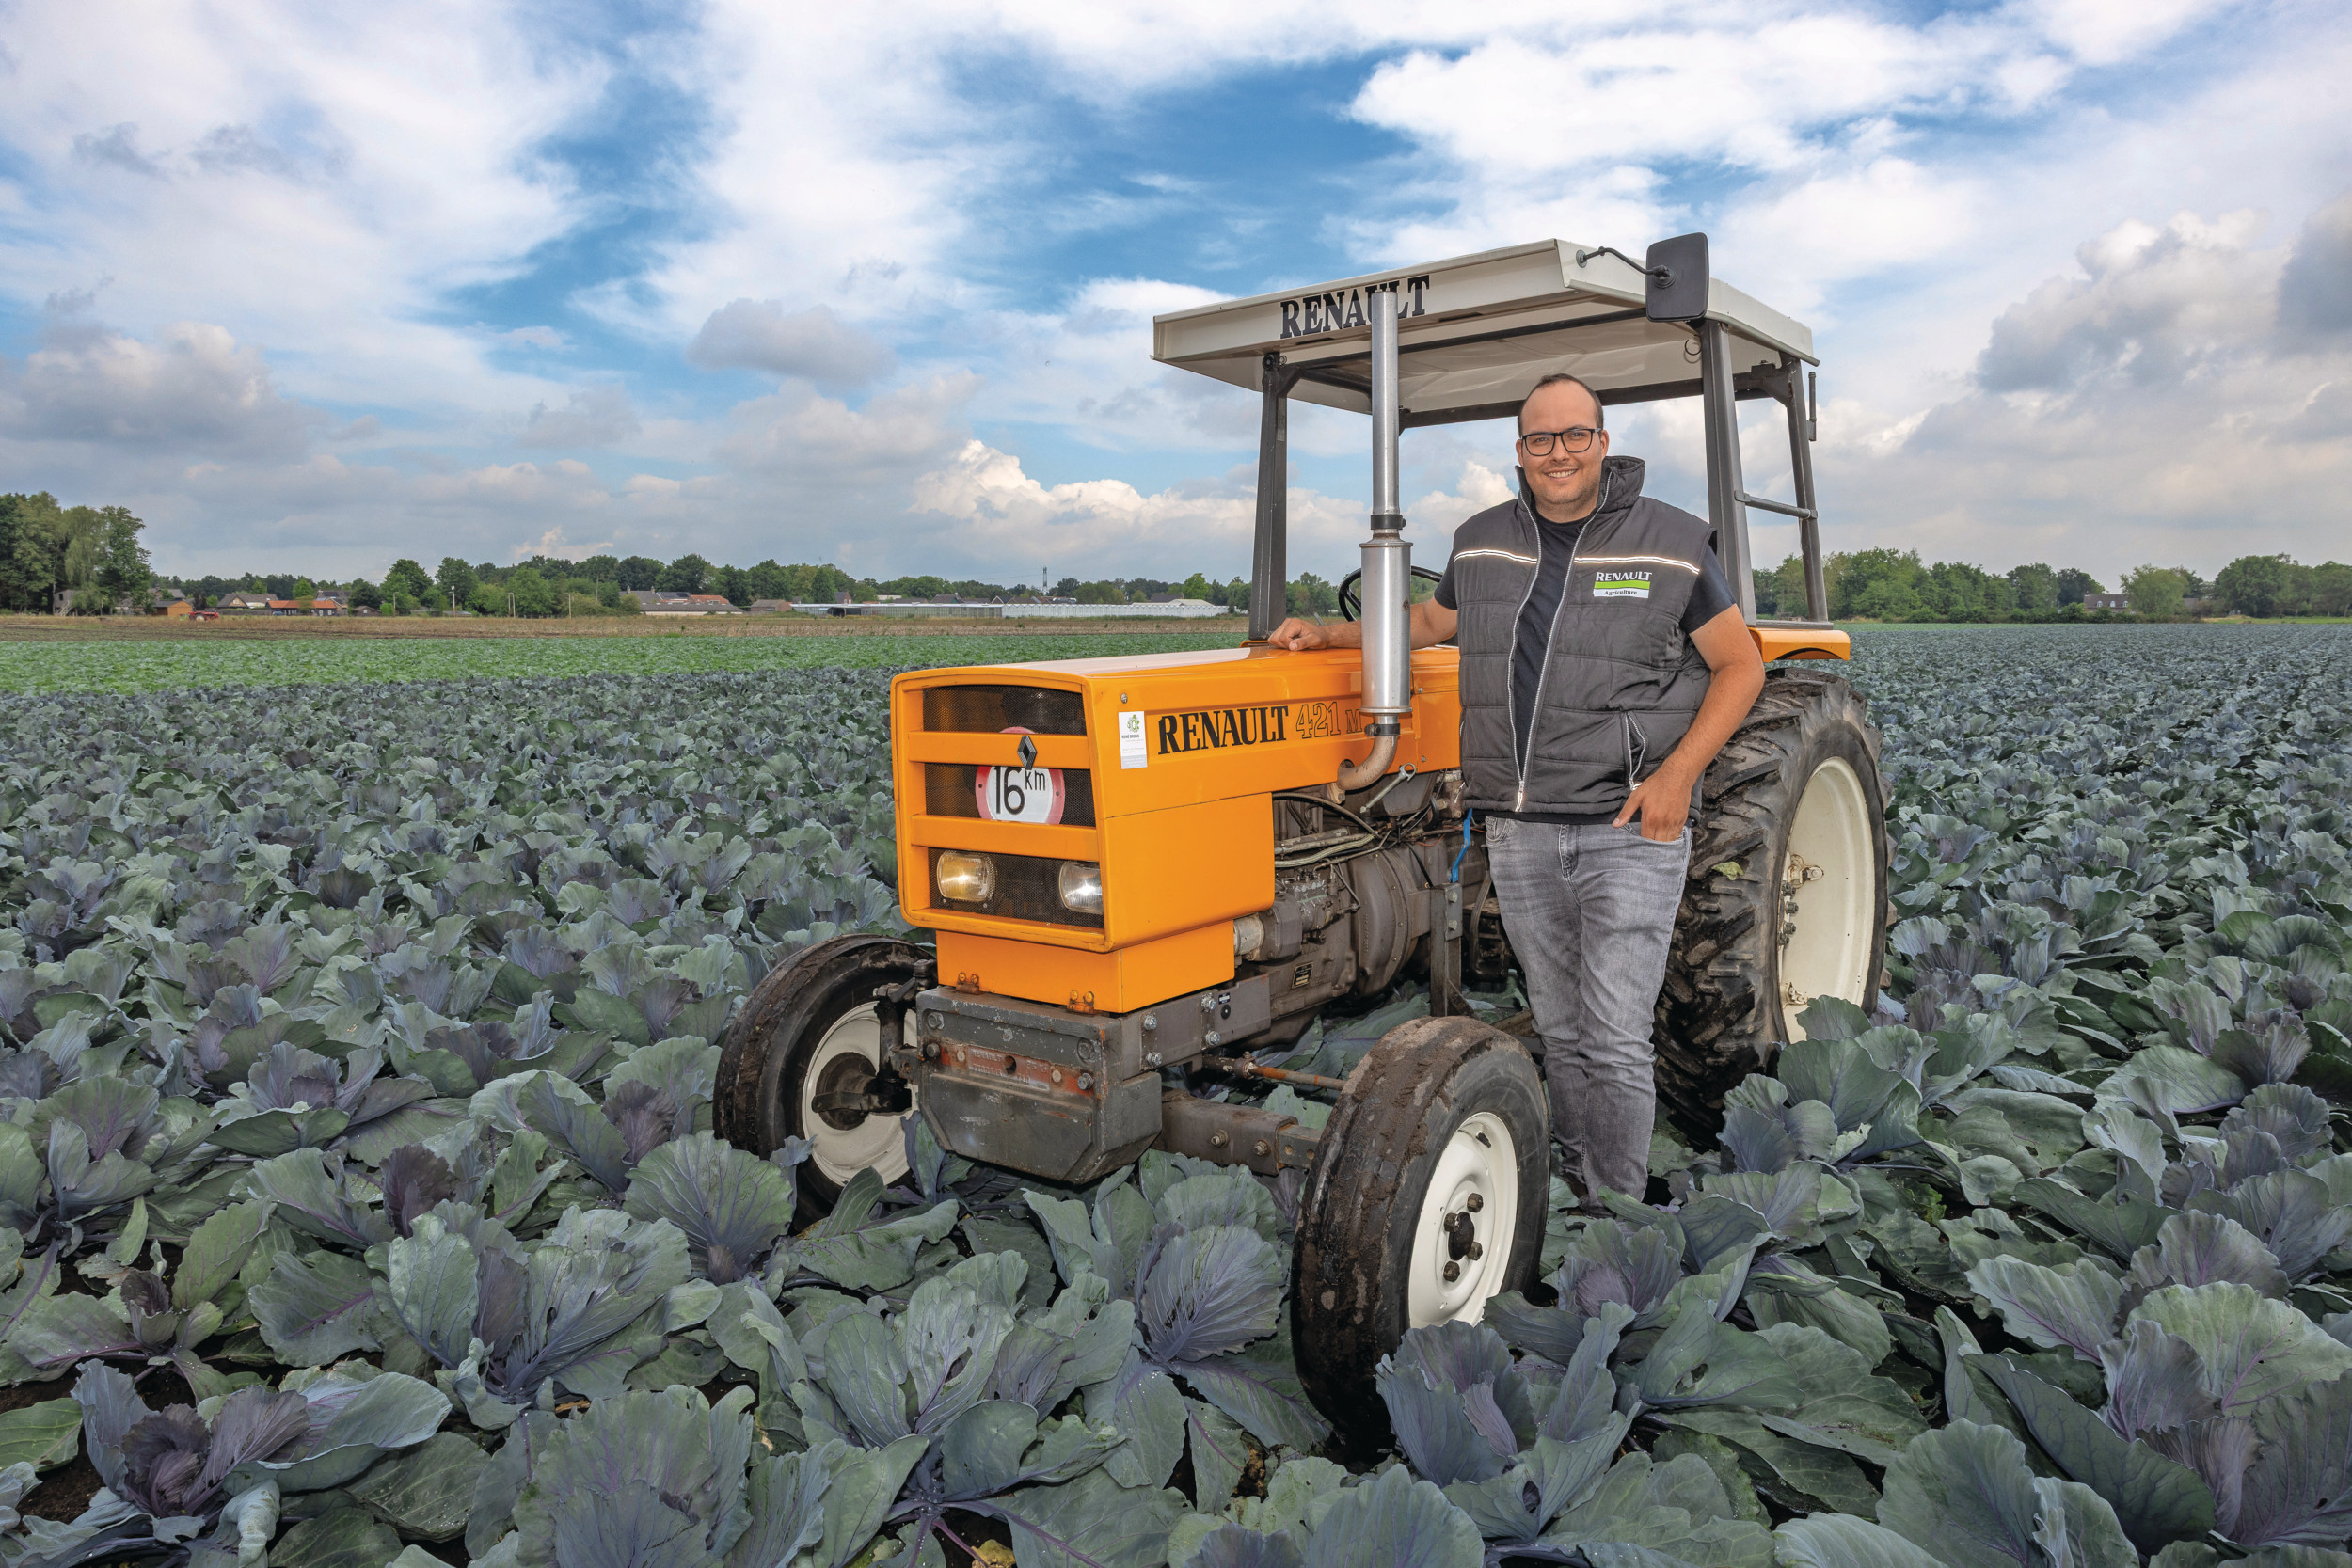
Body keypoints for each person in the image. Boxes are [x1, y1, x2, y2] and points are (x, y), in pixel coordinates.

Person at [1267, 372, 1767, 1203]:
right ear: (1520, 453)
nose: (1559, 452)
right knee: (1564, 1030)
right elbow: (1430, 624)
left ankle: (1617, 1203)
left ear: (1604, 442)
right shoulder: (1482, 540)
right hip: (1521, 828)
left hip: (1627, 823)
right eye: (1541, 438)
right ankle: (1573, 1180)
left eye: (1575, 435)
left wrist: (1680, 773)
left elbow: (1741, 663)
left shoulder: (1672, 542)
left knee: (1612, 1037)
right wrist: (1327, 632)